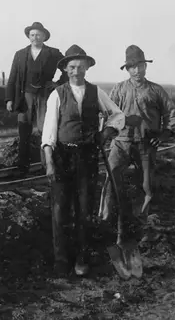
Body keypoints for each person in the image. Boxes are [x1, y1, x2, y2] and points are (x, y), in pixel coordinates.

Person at [41, 45, 125, 276]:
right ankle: (61, 261)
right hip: (62, 157)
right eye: (72, 67)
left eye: (80, 66)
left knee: (85, 209)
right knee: (60, 210)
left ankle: (81, 258)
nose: (76, 71)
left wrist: (106, 132)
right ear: (65, 70)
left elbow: (118, 114)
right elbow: (49, 130)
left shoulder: (96, 92)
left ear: (87, 68)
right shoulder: (57, 94)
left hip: (87, 156)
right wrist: (49, 162)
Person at [101, 45, 175, 243]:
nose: (136, 70)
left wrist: (165, 133)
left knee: (145, 185)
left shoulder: (155, 90)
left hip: (146, 144)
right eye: (132, 67)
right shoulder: (119, 89)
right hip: (121, 143)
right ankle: (106, 222)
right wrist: (109, 130)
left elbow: (171, 114)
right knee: (111, 178)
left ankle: (140, 226)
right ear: (127, 69)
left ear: (145, 67)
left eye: (140, 66)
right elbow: (109, 113)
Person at [5, 22, 67, 173]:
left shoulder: (53, 53)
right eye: (32, 35)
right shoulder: (20, 54)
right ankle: (22, 166)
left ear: (44, 36)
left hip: (45, 96)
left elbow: (67, 67)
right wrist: (9, 99)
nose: (35, 38)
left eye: (38, 35)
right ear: (28, 36)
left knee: (44, 130)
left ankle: (45, 165)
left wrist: (58, 84)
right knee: (23, 130)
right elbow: (12, 77)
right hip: (25, 97)